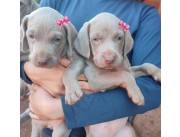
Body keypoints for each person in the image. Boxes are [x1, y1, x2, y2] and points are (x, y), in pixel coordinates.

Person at [20, 0, 161, 137]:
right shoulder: (56, 1)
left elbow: (154, 90)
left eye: (118, 38)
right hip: (52, 126)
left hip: (105, 126)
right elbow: (26, 46)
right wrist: (28, 70)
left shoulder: (146, 16)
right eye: (96, 39)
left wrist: (62, 109)